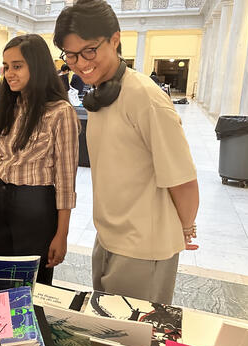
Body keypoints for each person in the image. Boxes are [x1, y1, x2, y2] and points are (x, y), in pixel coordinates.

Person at [54, 0, 199, 304]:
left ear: (115, 39)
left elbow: (183, 179)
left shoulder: (145, 98)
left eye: (89, 51)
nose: (80, 63)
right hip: (108, 238)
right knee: (108, 342)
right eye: (71, 55)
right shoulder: (102, 97)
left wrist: (184, 227)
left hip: (143, 248)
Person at [0, 34, 80, 285]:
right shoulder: (9, 106)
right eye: (7, 66)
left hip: (35, 206)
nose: (10, 73)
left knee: (32, 284)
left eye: (18, 66)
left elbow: (66, 179)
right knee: (0, 279)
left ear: (38, 65)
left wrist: (62, 233)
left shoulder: (59, 112)